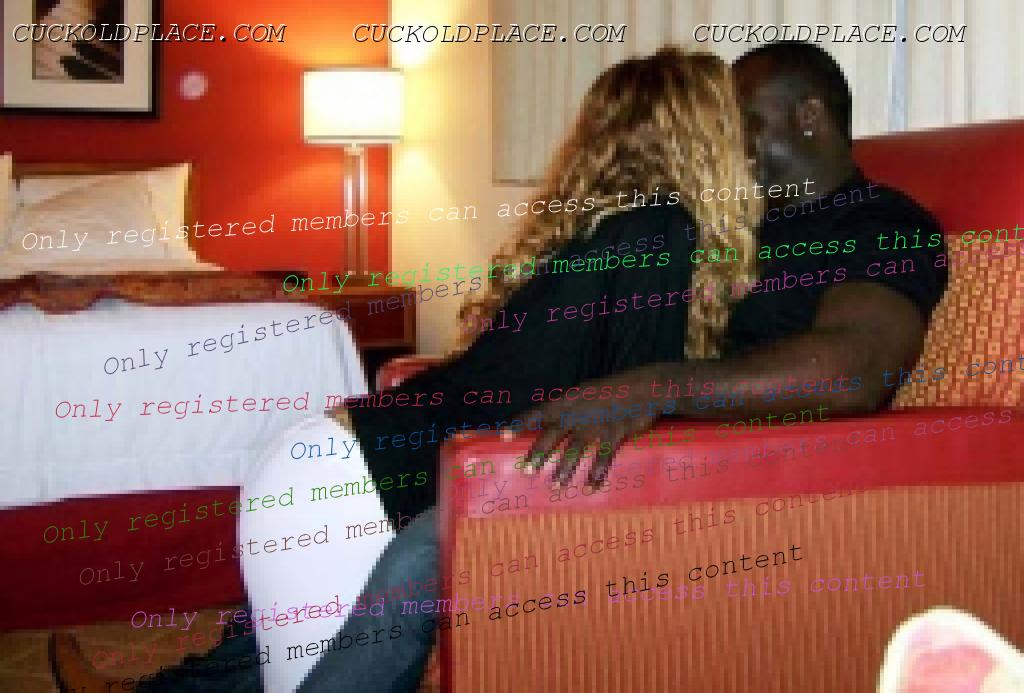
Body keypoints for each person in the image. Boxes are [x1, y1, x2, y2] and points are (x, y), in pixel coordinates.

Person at [51, 41, 947, 693]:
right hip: (599, 456)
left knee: (410, 546)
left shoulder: (877, 222)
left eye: (744, 127)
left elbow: (853, 370)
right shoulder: (706, 231)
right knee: (386, 553)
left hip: (713, 472)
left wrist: (649, 388)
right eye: (722, 133)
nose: (733, 152)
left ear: (809, 117)